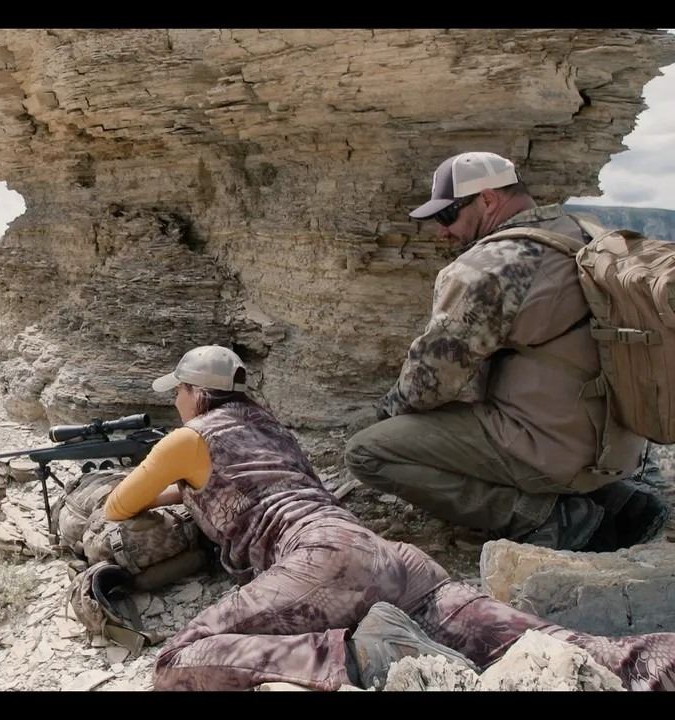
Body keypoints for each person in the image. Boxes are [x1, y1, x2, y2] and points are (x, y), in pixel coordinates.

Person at [103, 344, 675, 691]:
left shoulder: (188, 438)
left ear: (194, 393)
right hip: (388, 556)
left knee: (178, 659)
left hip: (318, 562)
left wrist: (172, 486)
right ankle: (644, 661)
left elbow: (118, 505)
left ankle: (356, 656)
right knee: (532, 641)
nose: (174, 401)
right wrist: (191, 492)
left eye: (177, 392)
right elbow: (266, 489)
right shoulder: (271, 429)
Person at [343, 151, 667, 552]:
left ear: (488, 199)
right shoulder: (590, 234)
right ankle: (612, 499)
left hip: (553, 453)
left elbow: (426, 385)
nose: (441, 232)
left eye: (447, 215)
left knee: (369, 451)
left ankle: (551, 518)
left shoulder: (490, 265)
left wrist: (385, 415)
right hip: (620, 448)